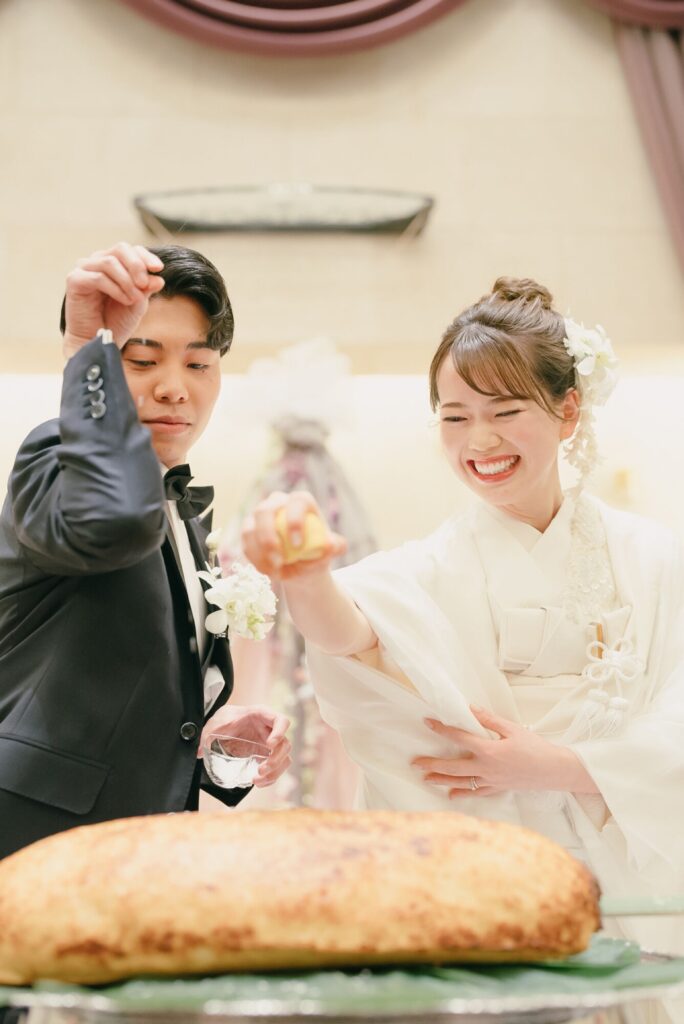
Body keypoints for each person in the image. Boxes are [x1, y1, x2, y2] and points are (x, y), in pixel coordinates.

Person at [242, 278, 684, 966]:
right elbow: (350, 632)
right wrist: (305, 574)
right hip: (493, 873)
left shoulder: (654, 558)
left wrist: (561, 768)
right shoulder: (431, 566)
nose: (480, 440)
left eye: (505, 410)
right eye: (454, 417)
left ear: (568, 411)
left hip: (627, 875)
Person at [0, 242, 290, 860]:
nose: (174, 388)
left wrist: (210, 738)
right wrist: (85, 348)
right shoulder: (54, 460)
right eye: (141, 360)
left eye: (198, 363)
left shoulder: (184, 510)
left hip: (141, 846)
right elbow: (114, 523)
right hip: (34, 840)